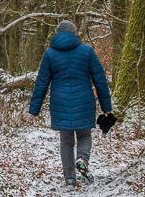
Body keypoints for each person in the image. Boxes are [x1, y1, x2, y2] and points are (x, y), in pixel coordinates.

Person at [28, 20, 114, 188]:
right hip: (84, 100)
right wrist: (106, 107)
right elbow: (100, 80)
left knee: (66, 142)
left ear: (57, 34)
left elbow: (42, 82)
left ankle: (69, 178)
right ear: (75, 34)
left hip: (60, 102)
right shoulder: (87, 52)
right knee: (84, 135)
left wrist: (34, 109)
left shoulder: (50, 54)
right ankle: (82, 158)